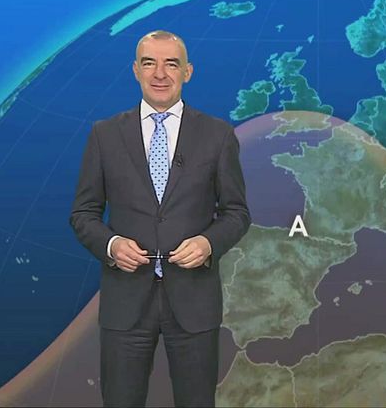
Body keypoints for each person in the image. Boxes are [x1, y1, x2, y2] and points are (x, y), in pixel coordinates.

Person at [69, 30, 250, 407]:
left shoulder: (217, 135)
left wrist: (208, 243)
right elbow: (83, 213)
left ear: (188, 72)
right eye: (149, 63)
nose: (160, 74)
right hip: (125, 305)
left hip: (194, 304)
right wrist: (111, 245)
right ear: (136, 70)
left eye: (171, 64)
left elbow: (236, 213)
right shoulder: (105, 135)